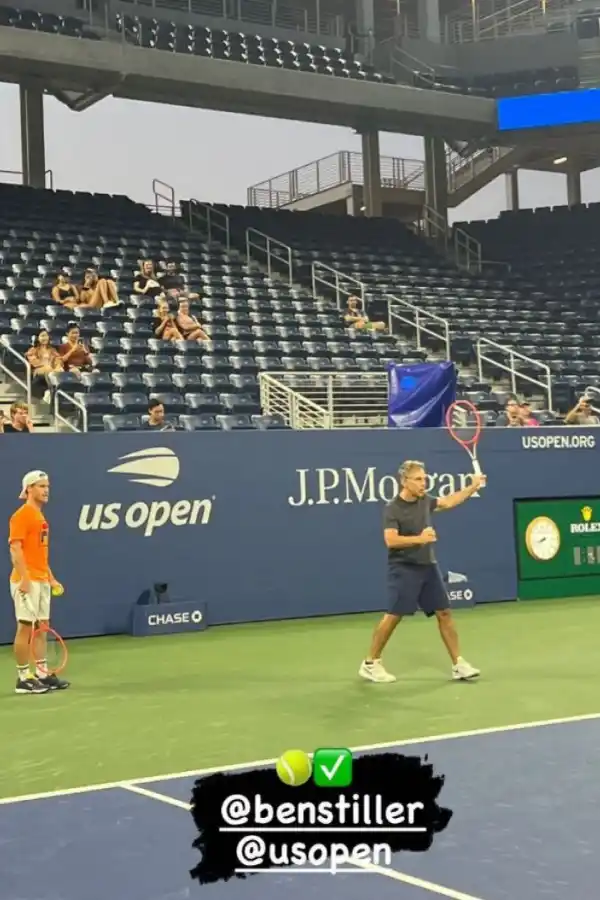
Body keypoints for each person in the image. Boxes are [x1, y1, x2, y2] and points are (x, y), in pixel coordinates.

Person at [359, 459, 483, 684]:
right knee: (393, 616)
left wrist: (472, 487)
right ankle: (370, 663)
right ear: (404, 481)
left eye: (425, 479)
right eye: (418, 479)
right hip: (403, 568)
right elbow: (391, 540)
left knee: (444, 612)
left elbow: (448, 502)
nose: (423, 483)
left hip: (428, 566)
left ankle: (458, 664)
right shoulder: (393, 508)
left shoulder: (425, 500)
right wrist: (420, 539)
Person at [8, 471, 70, 694]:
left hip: (41, 579)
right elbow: (15, 550)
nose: (46, 490)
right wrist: (24, 579)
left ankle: (42, 674)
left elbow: (39, 555)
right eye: (41, 486)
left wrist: (50, 578)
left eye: (47, 486)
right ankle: (23, 678)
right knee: (25, 627)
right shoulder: (21, 516)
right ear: (29, 489)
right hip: (26, 581)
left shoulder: (40, 518)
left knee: (41, 628)